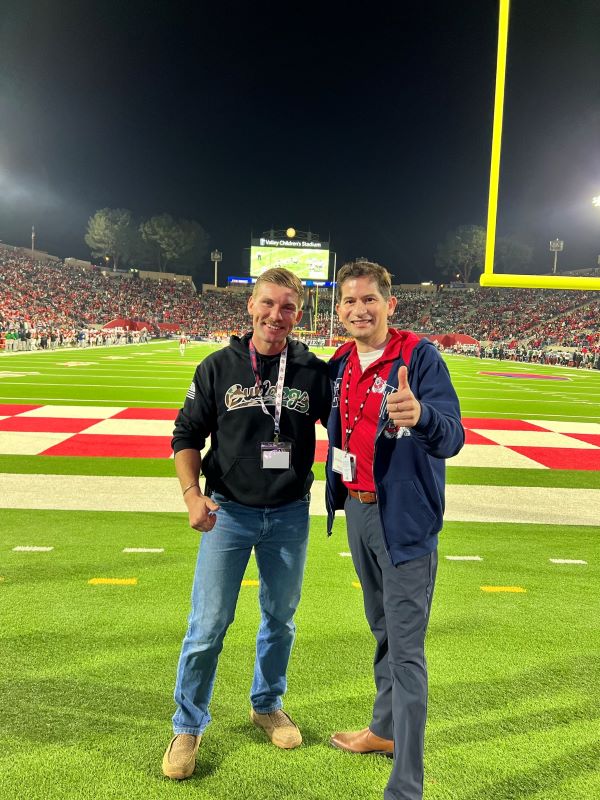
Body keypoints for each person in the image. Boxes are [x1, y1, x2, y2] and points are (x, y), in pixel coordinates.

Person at [163, 267, 331, 780]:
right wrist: (192, 496)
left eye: (286, 307)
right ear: (250, 307)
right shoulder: (218, 366)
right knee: (208, 625)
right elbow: (185, 436)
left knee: (280, 618)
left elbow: (350, 427)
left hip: (288, 514)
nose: (275, 316)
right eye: (267, 304)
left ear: (297, 315)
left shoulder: (313, 371)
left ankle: (266, 704)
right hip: (228, 513)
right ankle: (188, 725)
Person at [325, 259, 464, 800]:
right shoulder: (340, 361)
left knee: (406, 651)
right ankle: (383, 731)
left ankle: (406, 785)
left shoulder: (419, 357)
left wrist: (421, 416)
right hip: (357, 510)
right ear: (339, 309)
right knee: (382, 631)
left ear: (389, 304)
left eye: (369, 300)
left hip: (403, 520)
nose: (359, 310)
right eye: (350, 301)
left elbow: (452, 436)